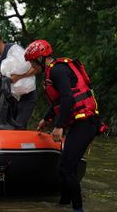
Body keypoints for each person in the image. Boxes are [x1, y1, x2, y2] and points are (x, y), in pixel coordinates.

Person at [24, 39, 102, 212]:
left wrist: (59, 126)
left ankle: (78, 208)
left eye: (32, 63)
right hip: (81, 122)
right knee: (65, 167)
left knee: (67, 168)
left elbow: (68, 98)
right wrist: (46, 119)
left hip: (86, 122)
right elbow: (59, 102)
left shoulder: (58, 70)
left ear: (40, 59)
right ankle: (63, 205)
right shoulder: (54, 71)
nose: (32, 67)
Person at [0, 27, 37, 129]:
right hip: (9, 99)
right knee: (8, 128)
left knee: (19, 127)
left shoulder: (14, 50)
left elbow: (35, 69)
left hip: (26, 95)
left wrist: (18, 77)